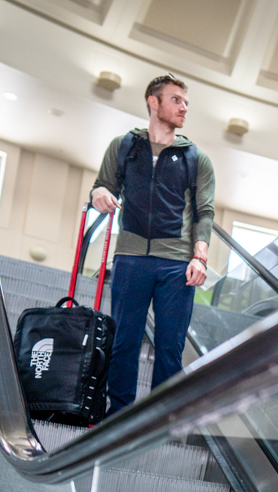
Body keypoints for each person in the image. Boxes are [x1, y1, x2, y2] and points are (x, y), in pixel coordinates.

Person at [91, 74, 215, 415]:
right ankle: (118, 416)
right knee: (124, 342)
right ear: (153, 102)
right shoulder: (124, 146)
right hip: (131, 258)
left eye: (186, 102)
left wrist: (200, 257)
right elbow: (102, 186)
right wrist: (99, 193)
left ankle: (159, 421)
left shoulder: (196, 159)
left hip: (177, 264)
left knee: (169, 348)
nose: (184, 107)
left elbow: (204, 212)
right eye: (176, 100)